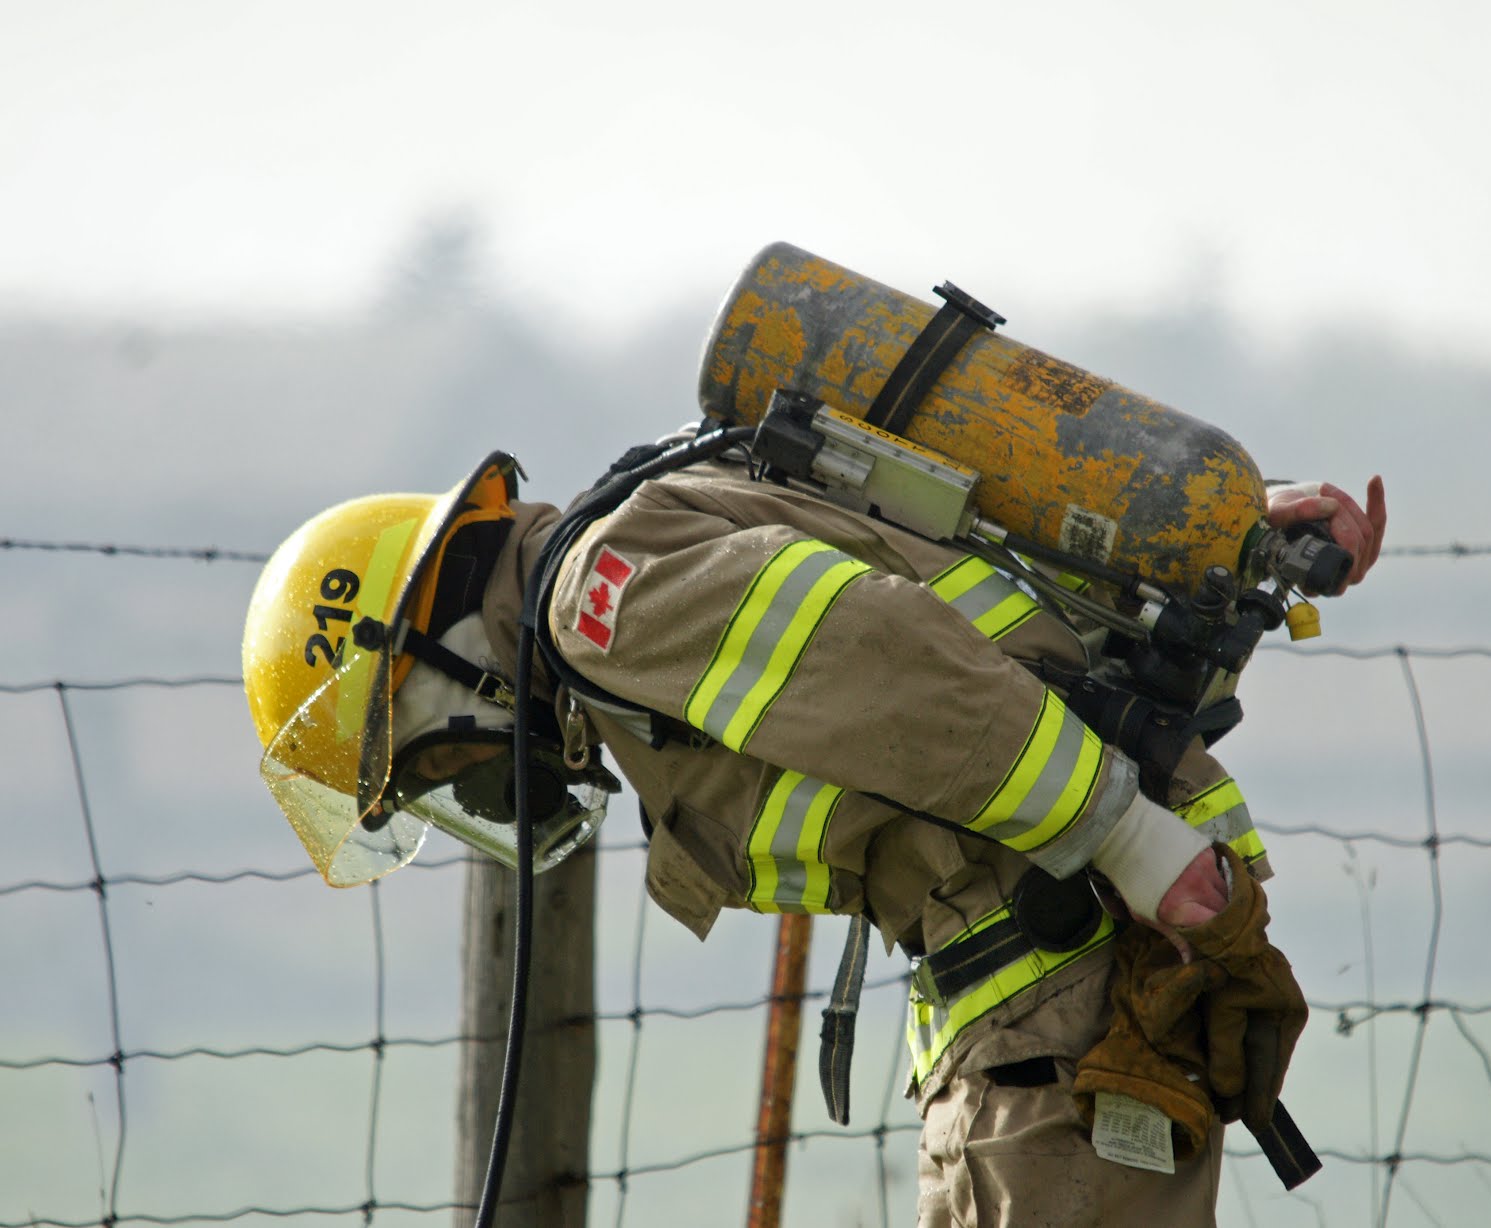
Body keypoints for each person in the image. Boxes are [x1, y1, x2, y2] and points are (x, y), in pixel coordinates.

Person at [243, 397, 1383, 1225]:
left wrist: (1130, 840)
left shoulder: (602, 610)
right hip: (1041, 1002)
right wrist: (1215, 551)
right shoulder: (645, 541)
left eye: (442, 765)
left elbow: (900, 661)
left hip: (1060, 988)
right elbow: (975, 583)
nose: (479, 787)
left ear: (431, 659)